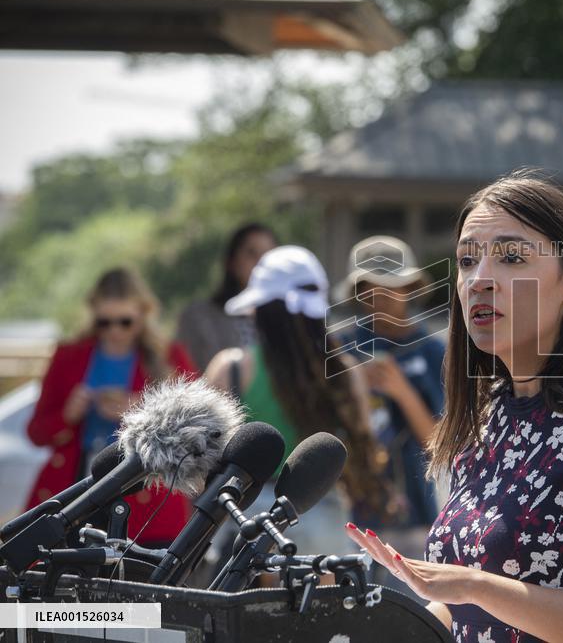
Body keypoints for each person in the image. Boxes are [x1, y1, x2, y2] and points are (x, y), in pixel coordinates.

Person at [346, 173, 563, 643]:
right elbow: (466, 612)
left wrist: (476, 587)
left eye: (511, 257)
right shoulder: (488, 412)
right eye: (468, 260)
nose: (480, 280)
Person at [204, 245, 385, 558]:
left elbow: (201, 456)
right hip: (325, 522)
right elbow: (362, 448)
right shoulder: (346, 374)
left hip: (246, 524)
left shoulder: (231, 368)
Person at [24, 267, 198, 545]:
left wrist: (140, 410)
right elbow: (35, 433)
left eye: (124, 321)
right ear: (94, 314)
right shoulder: (69, 355)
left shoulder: (169, 355)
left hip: (146, 502)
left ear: (143, 313)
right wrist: (67, 415)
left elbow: (197, 431)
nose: (115, 331)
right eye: (105, 322)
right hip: (74, 493)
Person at [333, 235, 446, 585]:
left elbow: (437, 443)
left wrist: (400, 389)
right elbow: (326, 429)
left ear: (411, 287)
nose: (380, 297)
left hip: (415, 510)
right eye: (371, 288)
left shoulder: (432, 352)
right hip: (351, 511)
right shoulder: (341, 347)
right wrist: (356, 387)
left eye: (392, 286)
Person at [176, 222, 277, 371]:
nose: (262, 262)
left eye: (270, 254)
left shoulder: (295, 317)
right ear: (232, 262)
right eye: (252, 253)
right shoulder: (198, 317)